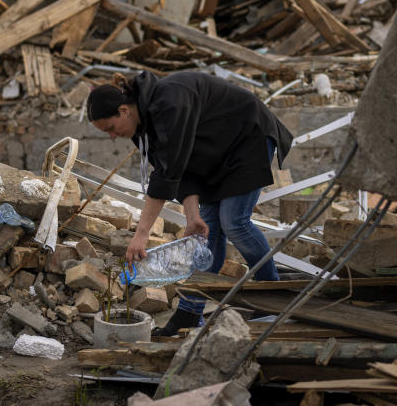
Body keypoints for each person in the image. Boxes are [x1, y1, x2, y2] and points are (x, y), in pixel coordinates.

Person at [86, 70, 293, 336]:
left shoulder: (170, 102)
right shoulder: (143, 129)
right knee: (207, 233)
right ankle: (189, 313)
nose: (113, 136)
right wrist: (193, 215)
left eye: (111, 129)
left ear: (124, 110)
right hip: (214, 155)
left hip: (247, 137)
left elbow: (167, 175)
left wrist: (142, 233)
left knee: (234, 222)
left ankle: (272, 297)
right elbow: (180, 169)